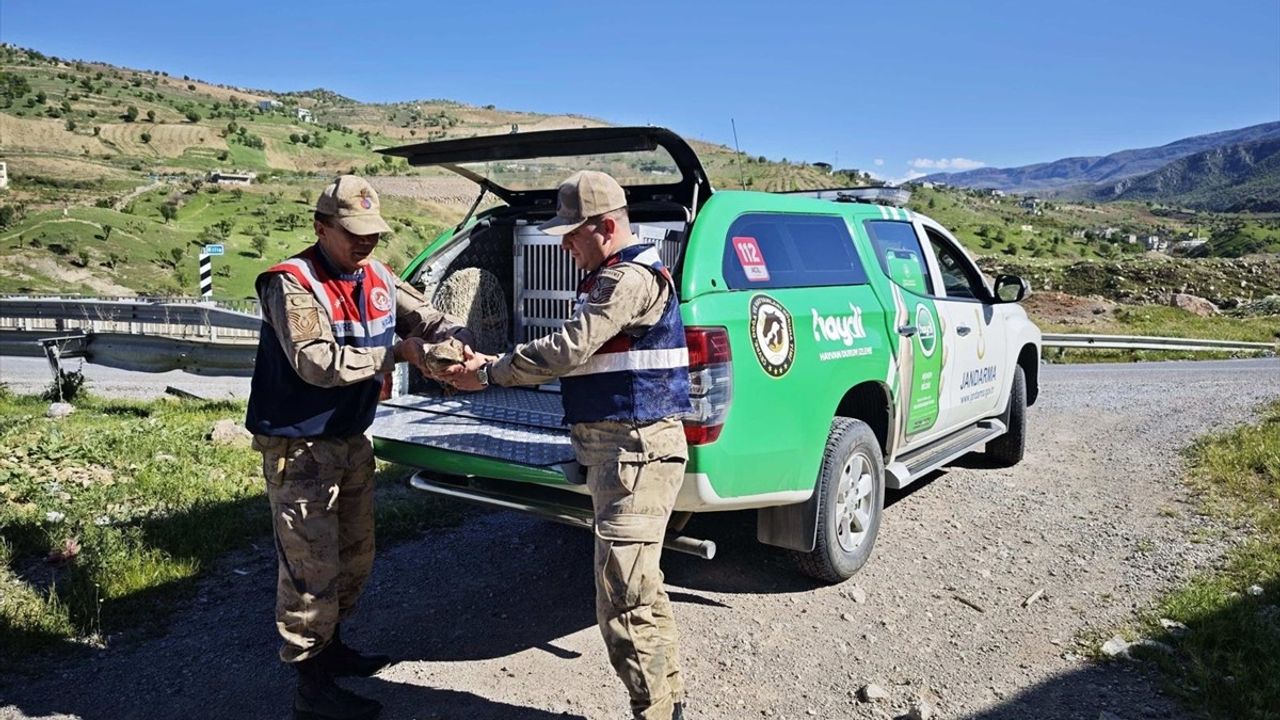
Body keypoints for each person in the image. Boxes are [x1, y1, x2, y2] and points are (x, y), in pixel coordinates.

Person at [444, 170, 692, 720]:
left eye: (572, 233)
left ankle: (655, 710)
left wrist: (488, 373)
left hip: (635, 452)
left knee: (623, 599)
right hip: (622, 451)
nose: (564, 245)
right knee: (640, 588)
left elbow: (568, 348)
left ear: (605, 227)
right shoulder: (611, 276)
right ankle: (668, 704)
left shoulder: (626, 279)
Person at [245, 174, 471, 720]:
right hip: (300, 446)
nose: (365, 241)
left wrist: (455, 341)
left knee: (353, 556)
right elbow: (316, 362)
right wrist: (401, 354)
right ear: (321, 228)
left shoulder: (378, 275)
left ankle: (332, 649)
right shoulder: (291, 282)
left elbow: (428, 316)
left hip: (350, 438)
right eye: (353, 232)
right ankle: (311, 688)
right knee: (310, 570)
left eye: (372, 231)